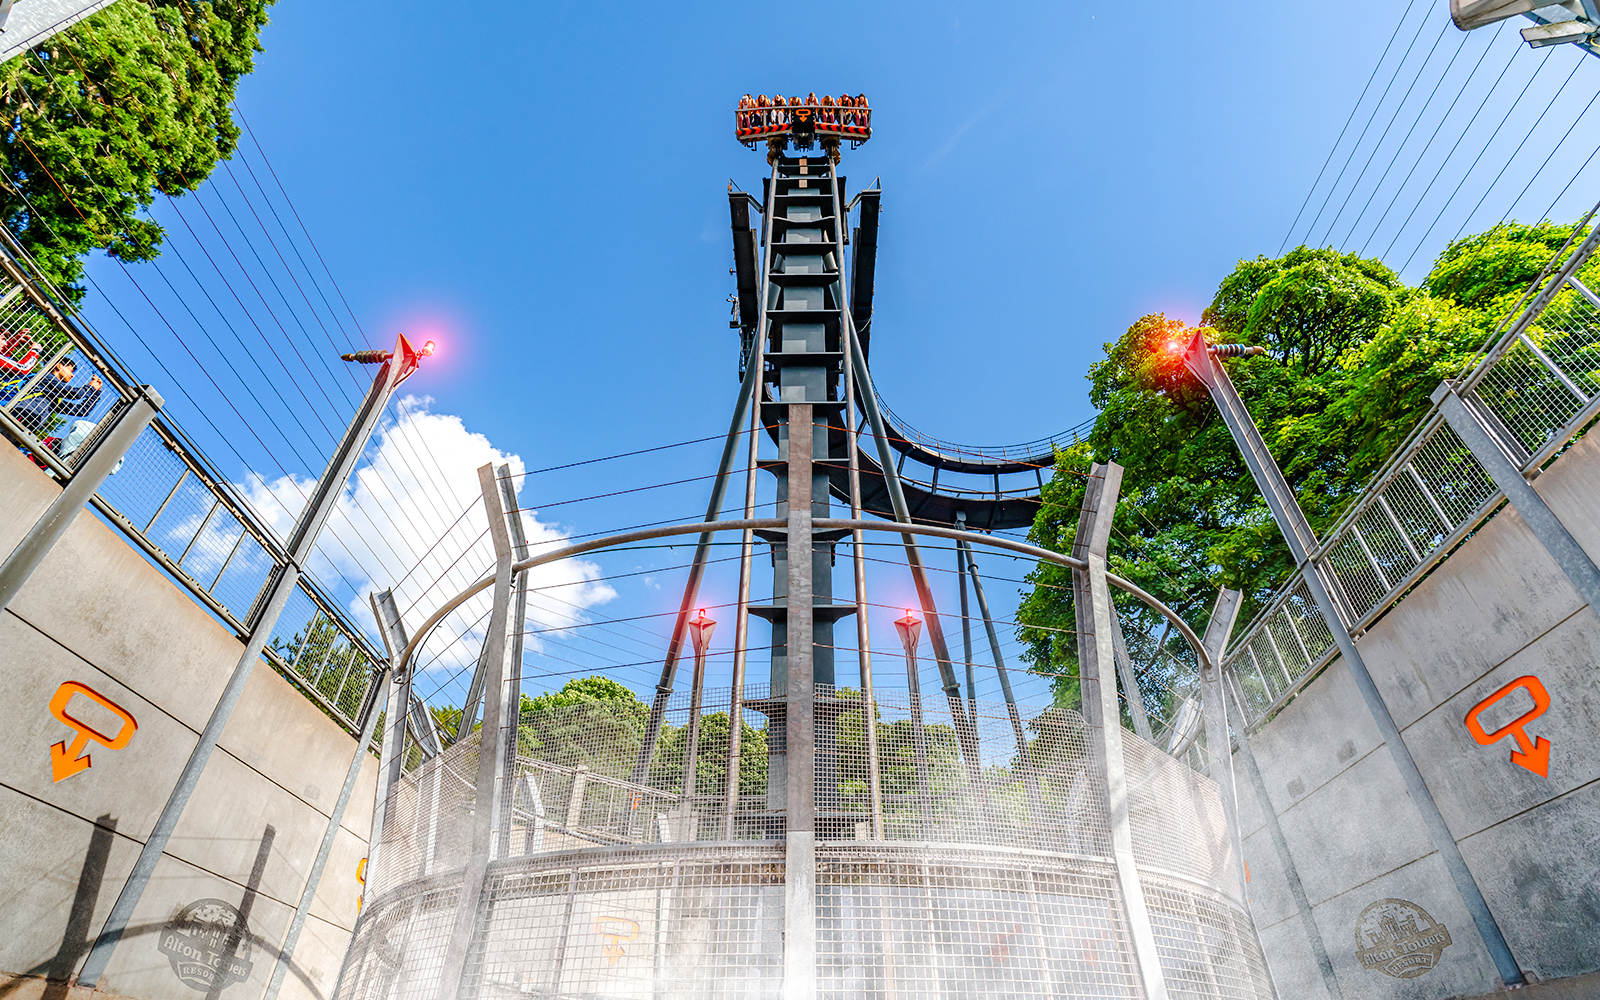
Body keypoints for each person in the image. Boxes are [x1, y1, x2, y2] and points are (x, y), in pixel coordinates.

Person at [3, 356, 102, 441]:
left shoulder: (52, 398)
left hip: (24, 428)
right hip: (16, 415)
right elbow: (72, 393)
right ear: (59, 366)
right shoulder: (45, 377)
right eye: (71, 370)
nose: (72, 375)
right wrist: (91, 387)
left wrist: (96, 393)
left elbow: (81, 410)